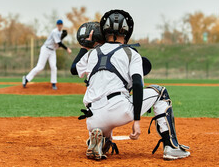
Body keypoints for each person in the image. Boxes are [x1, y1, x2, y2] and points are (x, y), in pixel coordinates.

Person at [73, 10, 190, 160]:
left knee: (104, 112)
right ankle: (171, 146)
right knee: (160, 92)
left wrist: (85, 46)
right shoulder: (130, 53)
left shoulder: (92, 53)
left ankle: (101, 139)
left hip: (92, 117)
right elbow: (136, 84)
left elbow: (74, 68)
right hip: (119, 110)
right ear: (127, 32)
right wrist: (136, 121)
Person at [22, 19, 72, 90]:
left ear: (62, 25)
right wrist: (67, 48)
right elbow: (59, 43)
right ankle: (26, 79)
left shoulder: (61, 33)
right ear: (57, 25)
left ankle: (53, 83)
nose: (60, 25)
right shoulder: (54, 32)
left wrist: (62, 37)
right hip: (46, 49)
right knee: (40, 67)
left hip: (52, 51)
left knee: (53, 67)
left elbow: (58, 45)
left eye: (61, 24)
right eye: (59, 24)